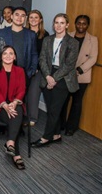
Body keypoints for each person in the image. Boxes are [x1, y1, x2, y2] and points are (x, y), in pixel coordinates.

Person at [32, 14, 78, 148]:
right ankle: (56, 134)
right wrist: (47, 76)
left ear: (67, 25)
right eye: (56, 22)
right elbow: (42, 59)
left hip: (63, 77)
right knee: (51, 106)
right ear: (53, 25)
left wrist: (54, 78)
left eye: (62, 23)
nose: (58, 25)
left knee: (54, 109)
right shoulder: (47, 40)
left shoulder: (72, 43)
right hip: (47, 74)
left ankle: (46, 137)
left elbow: (69, 65)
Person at [0, 46, 26, 170]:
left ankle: (10, 143)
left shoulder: (19, 71)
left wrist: (14, 102)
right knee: (15, 118)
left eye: (11, 53)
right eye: (5, 53)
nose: (8, 56)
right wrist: (4, 105)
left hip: (14, 104)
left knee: (16, 112)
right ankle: (16, 154)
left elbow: (22, 89)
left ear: (15, 57)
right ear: (1, 56)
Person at [62, 15, 98, 136]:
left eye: (84, 23)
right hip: (66, 74)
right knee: (63, 100)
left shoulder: (93, 39)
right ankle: (61, 124)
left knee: (77, 102)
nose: (81, 26)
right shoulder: (68, 36)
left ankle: (71, 127)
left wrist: (79, 70)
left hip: (81, 76)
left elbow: (93, 58)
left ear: (87, 25)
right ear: (75, 24)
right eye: (79, 23)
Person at [0, 7, 38, 80]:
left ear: (25, 18)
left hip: (24, 74)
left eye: (22, 16)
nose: (19, 18)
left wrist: (32, 71)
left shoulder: (31, 34)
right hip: (4, 73)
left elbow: (34, 54)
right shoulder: (1, 33)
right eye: (17, 15)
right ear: (12, 16)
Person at [25, 9, 49, 125]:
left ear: (40, 20)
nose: (33, 20)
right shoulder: (24, 32)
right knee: (22, 92)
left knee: (33, 93)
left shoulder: (45, 35)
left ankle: (32, 118)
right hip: (24, 68)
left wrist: (37, 67)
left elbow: (45, 54)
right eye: (31, 17)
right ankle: (23, 115)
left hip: (38, 69)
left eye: (36, 17)